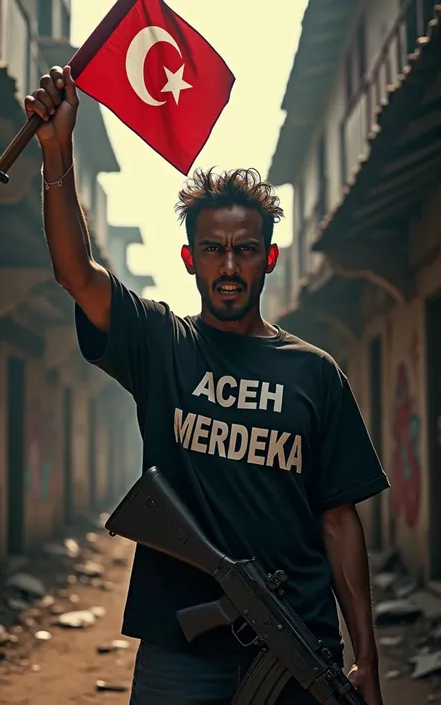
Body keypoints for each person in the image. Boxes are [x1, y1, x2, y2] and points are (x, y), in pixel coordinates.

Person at [26, 66, 389, 705]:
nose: (229, 266)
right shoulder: (164, 344)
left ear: (269, 258)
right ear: (189, 258)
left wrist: (367, 657)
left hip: (299, 641)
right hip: (180, 650)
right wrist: (58, 151)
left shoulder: (315, 373)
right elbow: (76, 274)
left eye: (245, 250)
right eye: (213, 250)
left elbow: (339, 520)